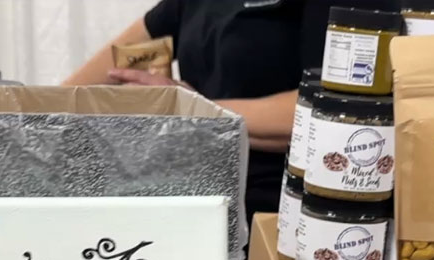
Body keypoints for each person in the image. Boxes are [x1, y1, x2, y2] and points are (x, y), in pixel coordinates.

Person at [65, 0, 325, 221]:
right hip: (201, 196)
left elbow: (327, 114)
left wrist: (190, 110)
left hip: (280, 213)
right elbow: (84, 86)